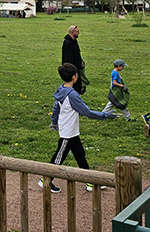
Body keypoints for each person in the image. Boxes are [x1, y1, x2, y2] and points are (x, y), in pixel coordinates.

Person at [41, 63, 117, 193]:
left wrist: (54, 122)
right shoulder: (72, 95)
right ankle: (46, 180)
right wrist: (105, 115)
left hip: (71, 131)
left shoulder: (61, 89)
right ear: (74, 77)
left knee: (80, 155)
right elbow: (87, 112)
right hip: (67, 132)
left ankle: (90, 182)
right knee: (59, 157)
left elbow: (55, 108)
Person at [61, 25, 89, 94]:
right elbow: (67, 57)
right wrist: (71, 69)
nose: (78, 33)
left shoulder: (74, 41)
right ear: (73, 32)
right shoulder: (67, 43)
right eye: (77, 31)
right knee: (73, 86)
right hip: (72, 69)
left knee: (78, 85)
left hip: (77, 68)